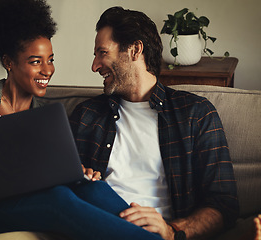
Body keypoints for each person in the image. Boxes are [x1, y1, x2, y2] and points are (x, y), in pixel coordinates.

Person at [0, 1, 164, 240]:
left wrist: (74, 172)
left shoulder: (46, 116)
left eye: (51, 59)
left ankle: (153, 234)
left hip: (12, 205)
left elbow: (40, 177)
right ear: (9, 62)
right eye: (36, 61)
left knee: (91, 186)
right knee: (56, 201)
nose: (48, 70)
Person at [69, 6, 241, 240]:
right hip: (96, 224)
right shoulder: (86, 116)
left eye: (102, 53)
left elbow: (223, 204)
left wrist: (171, 231)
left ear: (134, 50)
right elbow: (65, 188)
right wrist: (79, 177)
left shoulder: (195, 114)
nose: (95, 65)